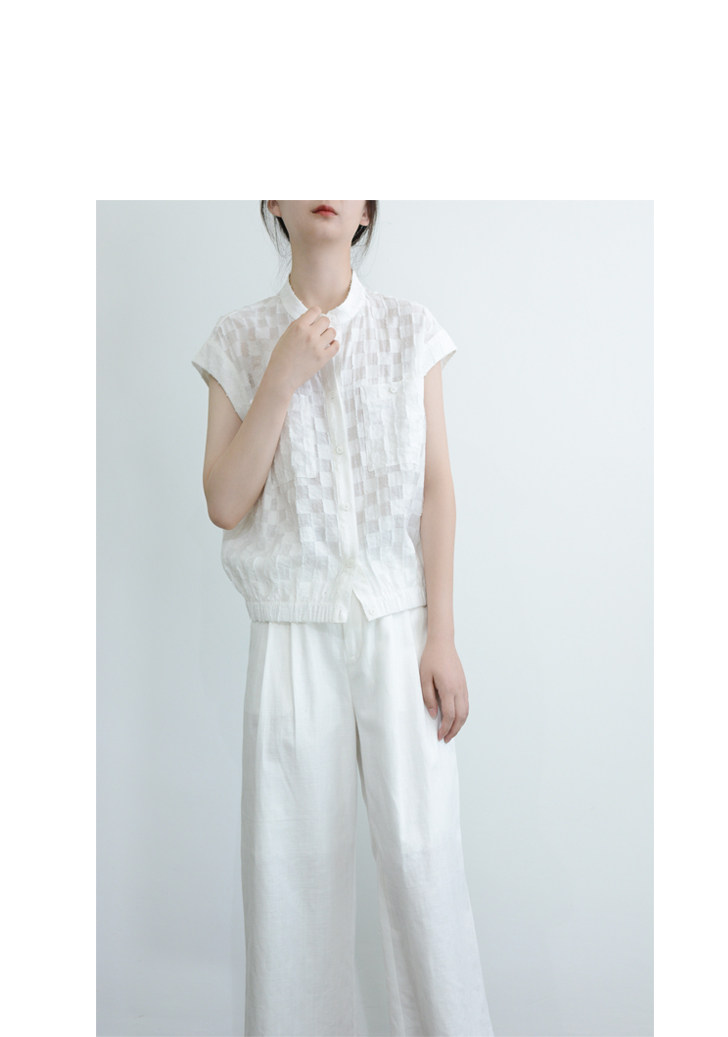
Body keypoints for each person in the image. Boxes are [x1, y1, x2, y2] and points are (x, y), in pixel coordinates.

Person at [191, 201, 494, 1037]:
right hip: (290, 634)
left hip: (402, 630)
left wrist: (442, 634)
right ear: (272, 201)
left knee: (425, 865)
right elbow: (224, 500)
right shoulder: (238, 340)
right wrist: (281, 376)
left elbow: (437, 490)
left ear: (366, 209)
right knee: (290, 879)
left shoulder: (409, 331)